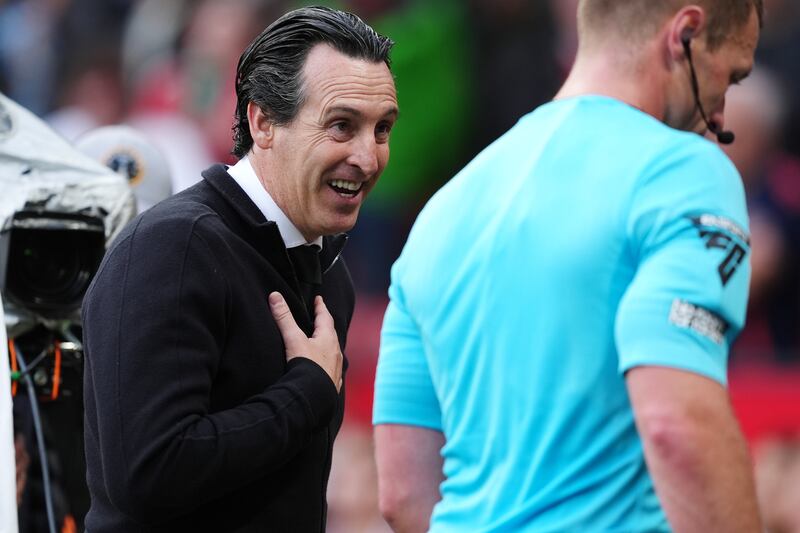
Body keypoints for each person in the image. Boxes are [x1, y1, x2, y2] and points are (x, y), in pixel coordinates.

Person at [373, 1, 764, 532]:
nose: (719, 114)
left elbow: (402, 493)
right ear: (686, 34)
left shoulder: (443, 210)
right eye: (731, 76)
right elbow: (677, 425)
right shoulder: (685, 171)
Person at [81, 6, 397, 532]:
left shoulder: (330, 274)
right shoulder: (173, 246)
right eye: (342, 126)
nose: (368, 157)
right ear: (263, 122)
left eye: (381, 129)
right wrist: (306, 392)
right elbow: (147, 475)